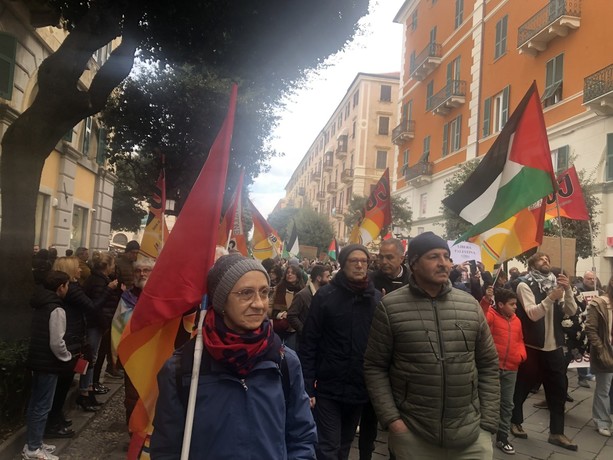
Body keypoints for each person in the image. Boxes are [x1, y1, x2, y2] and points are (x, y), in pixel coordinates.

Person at [150, 254, 316, 459]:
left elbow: (302, 437)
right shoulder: (184, 367)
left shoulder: (285, 362)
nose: (258, 304)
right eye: (246, 293)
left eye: (264, 293)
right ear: (221, 301)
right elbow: (166, 449)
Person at [363, 231, 500, 460]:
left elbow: (488, 364)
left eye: (446, 256)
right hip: (414, 435)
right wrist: (393, 421)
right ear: (414, 263)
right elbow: (375, 367)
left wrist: (487, 422)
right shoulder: (391, 307)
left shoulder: (469, 305)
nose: (443, 263)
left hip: (471, 435)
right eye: (434, 256)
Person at [300, 244, 382, 460]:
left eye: (363, 261)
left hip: (359, 387)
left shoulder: (375, 299)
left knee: (345, 444)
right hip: (328, 386)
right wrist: (308, 386)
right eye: (353, 260)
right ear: (343, 264)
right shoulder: (326, 296)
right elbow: (309, 341)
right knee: (328, 446)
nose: (359, 265)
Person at [510, 252, 578, 451]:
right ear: (532, 265)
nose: (546, 261)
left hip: (554, 346)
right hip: (533, 347)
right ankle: (515, 421)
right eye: (541, 259)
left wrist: (568, 291)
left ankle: (556, 432)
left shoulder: (555, 284)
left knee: (558, 390)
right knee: (523, 386)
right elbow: (532, 314)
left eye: (548, 259)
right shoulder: (524, 284)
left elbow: (571, 311)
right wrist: (551, 298)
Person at [360, 238, 410, 460]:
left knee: (401, 419)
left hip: (403, 357)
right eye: (381, 256)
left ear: (402, 258)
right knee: (370, 412)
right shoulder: (369, 280)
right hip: (376, 354)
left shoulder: (413, 281)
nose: (383, 261)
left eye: (389, 257)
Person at [23, 271, 72, 460]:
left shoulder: (41, 303)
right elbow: (56, 342)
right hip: (48, 362)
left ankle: (33, 442)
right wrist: (66, 356)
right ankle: (34, 448)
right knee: (43, 405)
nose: (68, 289)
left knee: (36, 403)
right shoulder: (57, 309)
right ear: (61, 287)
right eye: (67, 285)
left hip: (37, 359)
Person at [481, 287, 526, 455]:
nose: (515, 307)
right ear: (500, 304)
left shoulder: (516, 320)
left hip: (511, 368)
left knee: (507, 404)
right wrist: (486, 300)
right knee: (486, 401)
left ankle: (502, 436)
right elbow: (481, 320)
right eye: (512, 304)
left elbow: (520, 339)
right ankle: (482, 434)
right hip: (492, 367)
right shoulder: (492, 315)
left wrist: (521, 355)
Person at [111, 257, 155, 425]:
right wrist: (118, 354)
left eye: (146, 270)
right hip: (133, 354)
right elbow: (117, 325)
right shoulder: (127, 297)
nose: (141, 274)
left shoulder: (161, 296)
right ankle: (133, 432)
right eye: (138, 270)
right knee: (132, 397)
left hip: (154, 354)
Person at [83, 252, 123, 396]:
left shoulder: (104, 279)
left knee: (95, 356)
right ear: (107, 266)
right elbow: (97, 305)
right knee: (91, 357)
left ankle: (90, 386)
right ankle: (87, 388)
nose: (114, 267)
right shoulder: (99, 282)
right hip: (97, 324)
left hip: (101, 322)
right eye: (113, 265)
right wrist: (110, 289)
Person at [585, 274, 613, 437]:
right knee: (604, 387)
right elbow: (591, 329)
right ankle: (601, 420)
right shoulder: (600, 303)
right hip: (607, 349)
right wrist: (601, 350)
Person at [287, 264, 331, 352]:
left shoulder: (325, 294)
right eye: (327, 276)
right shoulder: (302, 295)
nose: (330, 279)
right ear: (319, 278)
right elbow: (291, 315)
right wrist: (304, 330)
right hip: (305, 343)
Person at [270, 264, 305, 350]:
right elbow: (269, 305)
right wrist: (278, 314)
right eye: (288, 272)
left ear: (298, 276)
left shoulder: (302, 291)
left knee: (290, 353)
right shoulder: (280, 287)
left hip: (293, 328)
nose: (289, 274)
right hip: (279, 325)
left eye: (293, 273)